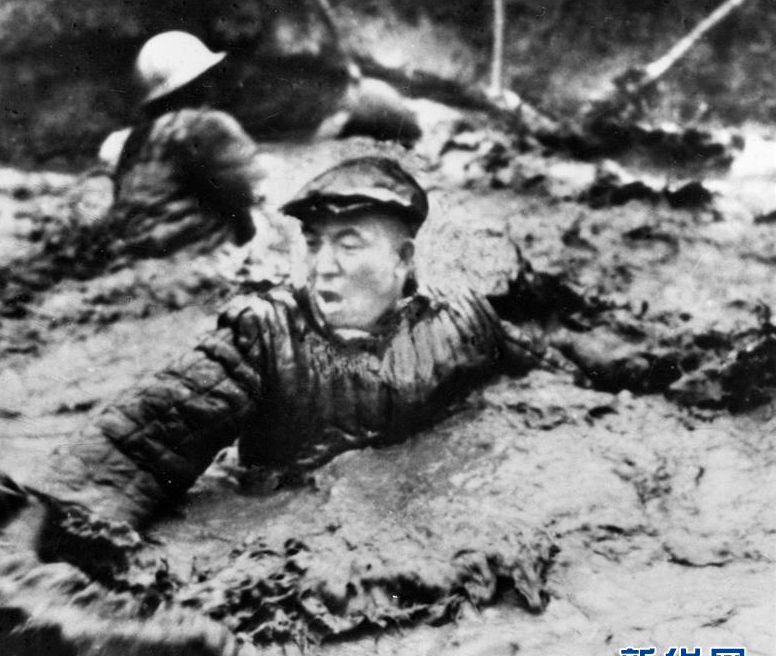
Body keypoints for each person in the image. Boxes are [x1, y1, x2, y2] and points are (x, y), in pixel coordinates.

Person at [49, 157, 537, 527]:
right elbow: (139, 445)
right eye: (314, 242)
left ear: (403, 260)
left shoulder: (462, 323)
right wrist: (50, 524)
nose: (323, 266)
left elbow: (541, 378)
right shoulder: (263, 334)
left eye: (348, 244)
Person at [102, 31, 260, 258]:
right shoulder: (206, 126)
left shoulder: (130, 140)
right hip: (195, 256)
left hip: (135, 257)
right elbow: (245, 197)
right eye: (206, 76)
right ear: (195, 83)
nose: (212, 84)